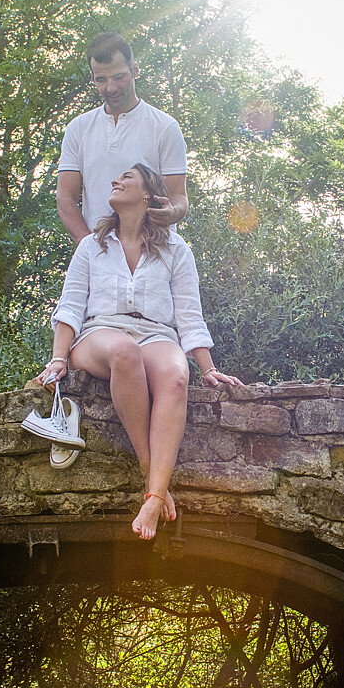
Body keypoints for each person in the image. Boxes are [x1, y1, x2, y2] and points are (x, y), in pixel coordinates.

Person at [40, 162, 244, 539]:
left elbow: (188, 314)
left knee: (175, 374)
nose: (115, 180)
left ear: (148, 194)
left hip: (154, 333)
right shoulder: (91, 245)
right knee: (124, 351)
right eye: (116, 177)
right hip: (99, 335)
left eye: (126, 178)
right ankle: (152, 473)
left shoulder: (175, 248)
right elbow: (69, 307)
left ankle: (152, 497)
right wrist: (57, 359)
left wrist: (208, 368)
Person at [57, 33, 190, 245]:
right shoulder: (78, 129)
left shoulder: (165, 127)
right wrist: (90, 248)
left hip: (153, 255)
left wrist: (171, 212)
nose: (111, 88)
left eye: (119, 77)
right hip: (97, 257)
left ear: (134, 69)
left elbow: (179, 197)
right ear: (93, 78)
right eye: (101, 79)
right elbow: (65, 198)